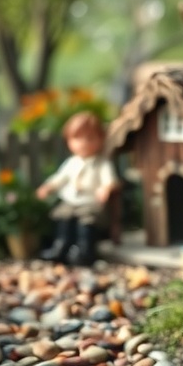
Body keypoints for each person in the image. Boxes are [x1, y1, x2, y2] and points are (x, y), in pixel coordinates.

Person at [36, 110, 120, 266]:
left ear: (101, 139)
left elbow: (109, 180)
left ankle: (85, 251)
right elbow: (60, 178)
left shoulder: (102, 163)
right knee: (63, 218)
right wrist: (48, 187)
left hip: (90, 202)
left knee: (86, 221)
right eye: (77, 138)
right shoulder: (71, 163)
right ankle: (60, 247)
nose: (83, 143)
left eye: (90, 138)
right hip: (71, 201)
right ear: (68, 141)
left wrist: (105, 189)